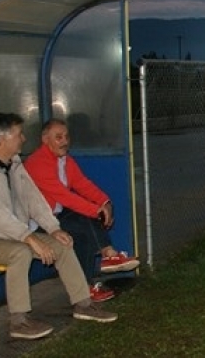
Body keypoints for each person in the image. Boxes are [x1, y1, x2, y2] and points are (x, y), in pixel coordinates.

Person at [0, 113, 116, 340]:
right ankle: (19, 321)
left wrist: (53, 228)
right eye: (18, 134)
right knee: (19, 252)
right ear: (2, 139)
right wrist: (30, 238)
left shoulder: (14, 163)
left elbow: (33, 199)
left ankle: (84, 305)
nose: (23, 139)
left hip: (10, 234)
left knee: (63, 243)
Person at [24, 118, 140, 302]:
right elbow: (64, 196)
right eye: (58, 137)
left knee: (85, 231)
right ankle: (108, 255)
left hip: (56, 214)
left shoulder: (65, 160)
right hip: (39, 222)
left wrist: (105, 202)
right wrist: (97, 211)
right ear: (45, 140)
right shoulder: (38, 163)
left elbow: (82, 184)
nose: (64, 141)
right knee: (86, 218)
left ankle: (88, 287)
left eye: (66, 136)